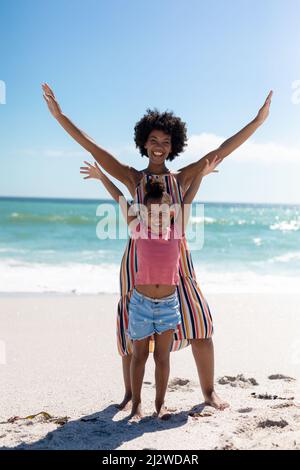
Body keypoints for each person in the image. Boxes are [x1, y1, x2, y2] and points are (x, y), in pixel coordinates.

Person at [42, 83, 273, 410]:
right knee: (131, 335)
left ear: (173, 145)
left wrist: (258, 121)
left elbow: (224, 148)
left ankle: (209, 393)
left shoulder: (181, 179)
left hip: (178, 263)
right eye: (153, 140)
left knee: (200, 324)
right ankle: (129, 395)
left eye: (165, 141)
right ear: (143, 143)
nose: (159, 146)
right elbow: (92, 147)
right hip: (137, 264)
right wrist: (59, 115)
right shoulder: (131, 177)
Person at [80, 156, 221, 420]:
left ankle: (160, 404)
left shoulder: (177, 231)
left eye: (162, 212)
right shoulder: (138, 230)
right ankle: (136, 406)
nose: (156, 216)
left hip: (169, 305)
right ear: (144, 212)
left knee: (163, 359)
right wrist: (102, 178)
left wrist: (201, 173)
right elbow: (120, 199)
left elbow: (188, 198)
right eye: (151, 212)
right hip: (141, 304)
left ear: (170, 212)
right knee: (139, 356)